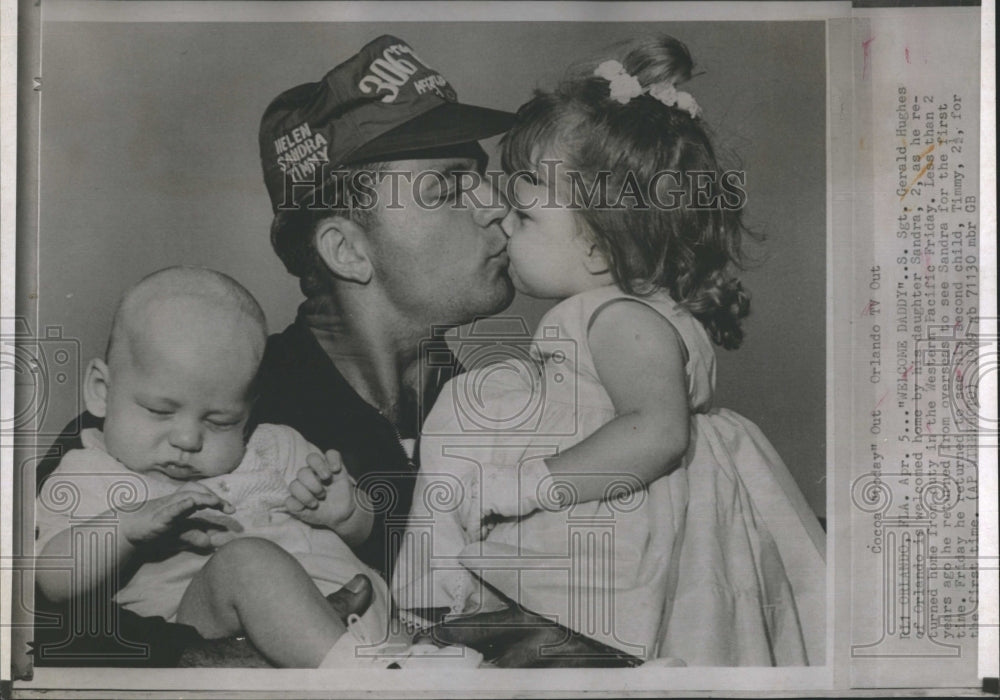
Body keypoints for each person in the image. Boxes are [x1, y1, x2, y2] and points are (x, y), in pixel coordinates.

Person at [34, 34, 594, 668]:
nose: (496, 207)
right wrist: (221, 657)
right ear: (347, 251)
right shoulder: (212, 404)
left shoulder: (505, 408)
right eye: (447, 187)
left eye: (483, 178)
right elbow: (31, 619)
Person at [393, 35, 826, 666]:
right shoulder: (617, 314)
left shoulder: (618, 319)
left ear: (599, 246)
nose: (502, 222)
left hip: (621, 552)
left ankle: (457, 619)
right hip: (609, 540)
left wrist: (524, 486)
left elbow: (657, 432)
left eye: (524, 215)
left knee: (552, 637)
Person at [34, 267, 399, 668]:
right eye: (159, 411)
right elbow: (51, 580)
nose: (187, 439)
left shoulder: (275, 446)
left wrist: (349, 514)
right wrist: (124, 528)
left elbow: (372, 536)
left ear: (248, 413)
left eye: (219, 421)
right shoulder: (88, 474)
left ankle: (388, 666)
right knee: (246, 563)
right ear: (101, 392)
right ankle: (361, 676)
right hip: (218, 633)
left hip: (381, 630)